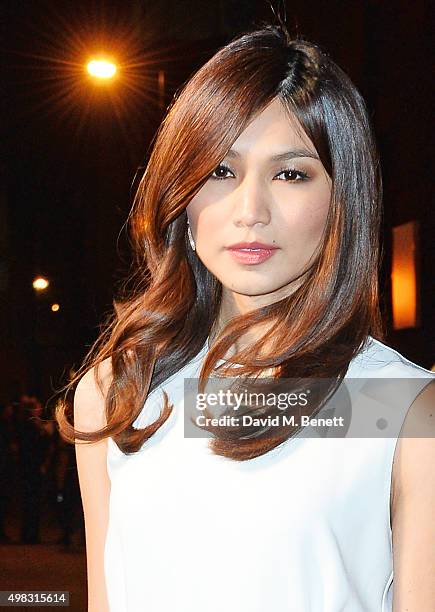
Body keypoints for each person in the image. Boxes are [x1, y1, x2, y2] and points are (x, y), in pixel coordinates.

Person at [55, 24, 435, 612]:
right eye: (220, 172)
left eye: (291, 173)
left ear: (343, 197)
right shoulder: (118, 391)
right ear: (180, 194)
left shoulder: (396, 405)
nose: (251, 211)